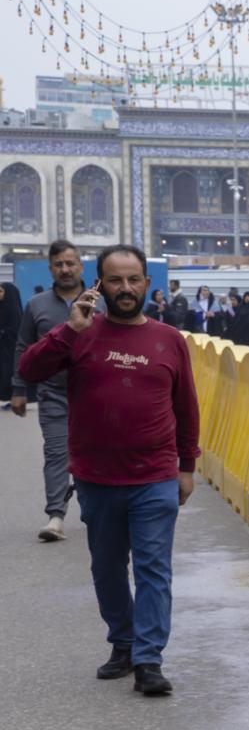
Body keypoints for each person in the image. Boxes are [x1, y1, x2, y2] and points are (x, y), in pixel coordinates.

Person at [16, 244, 200, 697]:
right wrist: (69, 330)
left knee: (154, 569)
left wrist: (187, 466)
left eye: (133, 279)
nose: (125, 288)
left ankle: (149, 659)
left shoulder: (169, 339)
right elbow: (28, 368)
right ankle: (124, 642)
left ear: (147, 284)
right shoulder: (79, 332)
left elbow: (186, 407)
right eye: (115, 280)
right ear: (99, 285)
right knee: (108, 568)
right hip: (97, 478)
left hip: (154, 476)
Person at [10, 239, 86, 541]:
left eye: (70, 263)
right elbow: (23, 346)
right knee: (56, 453)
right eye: (59, 264)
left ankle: (95, 510)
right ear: (51, 269)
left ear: (80, 266)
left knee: (94, 455)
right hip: (53, 393)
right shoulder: (36, 305)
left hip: (95, 396)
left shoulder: (101, 302)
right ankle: (56, 516)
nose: (65, 269)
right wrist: (19, 388)